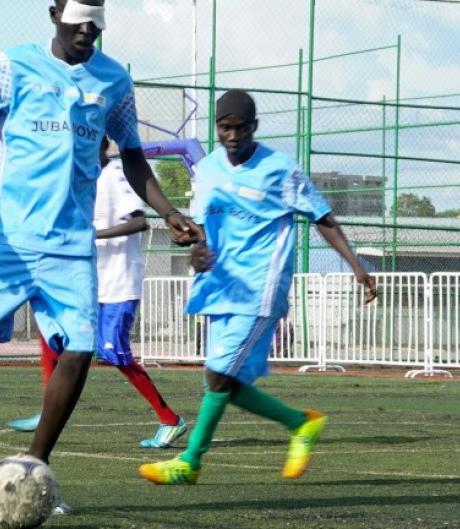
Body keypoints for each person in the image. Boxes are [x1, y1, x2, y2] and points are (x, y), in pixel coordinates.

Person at [0, 0, 202, 508]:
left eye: (96, 20)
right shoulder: (11, 66)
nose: (88, 30)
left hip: (70, 246)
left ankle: (33, 470)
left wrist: (168, 210)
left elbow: (134, 156)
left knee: (78, 352)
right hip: (5, 240)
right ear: (54, 14)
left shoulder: (114, 81)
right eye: (78, 19)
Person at [138, 89, 378, 486]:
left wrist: (356, 265)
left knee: (219, 376)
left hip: (260, 288)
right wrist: (194, 248)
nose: (232, 136)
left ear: (255, 127)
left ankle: (190, 461)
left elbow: (322, 215)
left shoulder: (280, 169)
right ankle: (300, 423)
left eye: (240, 128)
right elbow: (201, 229)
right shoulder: (210, 169)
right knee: (223, 383)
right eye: (224, 128)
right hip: (219, 286)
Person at [7, 137, 188, 450]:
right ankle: (50, 407)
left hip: (120, 282)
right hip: (92, 282)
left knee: (112, 351)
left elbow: (140, 222)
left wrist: (93, 234)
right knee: (51, 330)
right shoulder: (81, 177)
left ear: (101, 141)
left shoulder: (117, 175)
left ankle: (170, 420)